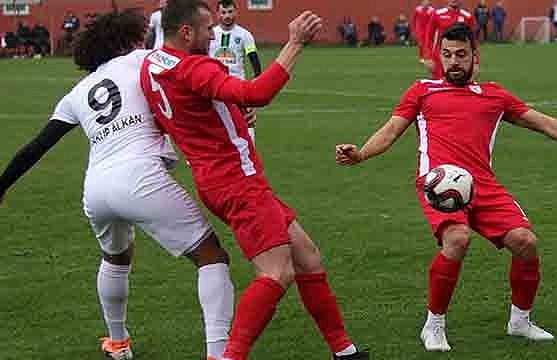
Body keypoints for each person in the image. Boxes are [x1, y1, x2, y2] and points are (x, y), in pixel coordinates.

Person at [336, 22, 557, 352]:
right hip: (439, 183)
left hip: (482, 185)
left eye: (461, 54)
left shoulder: (494, 95)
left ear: (475, 58)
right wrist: (361, 154)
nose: (453, 61)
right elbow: (389, 132)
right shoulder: (422, 91)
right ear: (438, 58)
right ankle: (434, 325)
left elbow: (542, 123)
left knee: (526, 243)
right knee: (458, 238)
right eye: (447, 55)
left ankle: (520, 321)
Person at [0, 10, 235, 360]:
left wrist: (2, 186)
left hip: (96, 189)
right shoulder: (142, 59)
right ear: (127, 41)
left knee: (115, 257)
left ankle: (118, 342)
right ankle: (218, 355)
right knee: (212, 257)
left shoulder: (76, 94)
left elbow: (37, 146)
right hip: (140, 177)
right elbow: (192, 76)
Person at [139, 1, 369, 360]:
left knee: (307, 256)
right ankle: (230, 356)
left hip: (215, 178)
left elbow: (189, 110)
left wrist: (231, 110)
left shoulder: (153, 64)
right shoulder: (194, 67)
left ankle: (345, 350)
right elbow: (259, 93)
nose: (214, 34)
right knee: (277, 273)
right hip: (237, 181)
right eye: (207, 28)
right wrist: (295, 43)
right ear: (185, 32)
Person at [209, 0, 261, 142]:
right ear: (218, 14)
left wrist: (257, 78)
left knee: (246, 123)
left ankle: (250, 152)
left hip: (238, 88)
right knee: (215, 125)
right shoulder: (210, 34)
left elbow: (253, 58)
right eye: (223, 12)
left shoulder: (245, 35)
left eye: (230, 12)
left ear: (236, 12)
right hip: (215, 88)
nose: (227, 16)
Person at [423, 0, 479, 79]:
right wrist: (428, 57)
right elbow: (428, 37)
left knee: (459, 87)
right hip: (440, 59)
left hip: (460, 59)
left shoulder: (468, 16)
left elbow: (474, 41)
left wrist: (476, 62)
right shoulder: (437, 14)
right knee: (440, 87)